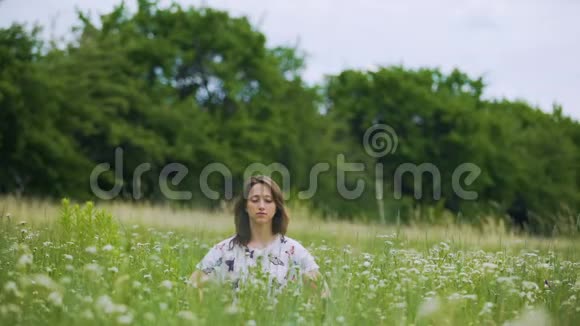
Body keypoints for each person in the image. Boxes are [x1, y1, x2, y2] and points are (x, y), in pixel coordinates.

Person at [190, 175, 322, 292]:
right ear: (245, 207)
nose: (261, 206)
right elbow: (192, 287)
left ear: (277, 207)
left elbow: (322, 293)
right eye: (254, 200)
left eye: (268, 200)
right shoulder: (224, 250)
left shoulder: (294, 251)